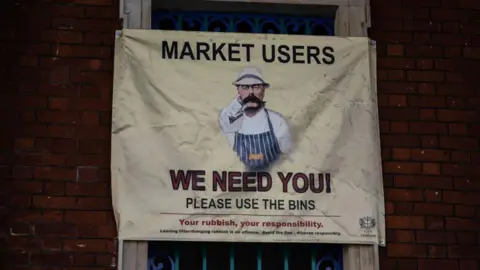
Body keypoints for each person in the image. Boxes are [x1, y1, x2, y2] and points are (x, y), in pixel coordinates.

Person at [218, 67, 292, 171]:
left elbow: (287, 157)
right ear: (238, 91)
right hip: (238, 183)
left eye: (256, 87)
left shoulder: (277, 121)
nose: (251, 93)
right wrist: (237, 103)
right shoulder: (232, 121)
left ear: (263, 90)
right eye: (245, 87)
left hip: (272, 181)